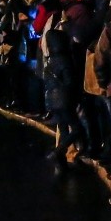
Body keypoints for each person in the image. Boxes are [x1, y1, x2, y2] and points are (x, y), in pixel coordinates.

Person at [43, 29, 87, 176]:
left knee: (63, 129)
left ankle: (60, 162)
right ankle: (58, 152)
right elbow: (69, 82)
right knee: (77, 129)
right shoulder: (65, 60)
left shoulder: (50, 60)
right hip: (65, 99)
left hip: (52, 99)